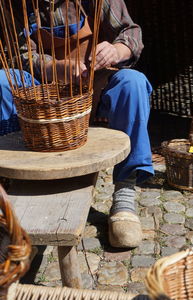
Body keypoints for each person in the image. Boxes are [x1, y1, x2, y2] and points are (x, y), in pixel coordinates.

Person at [0, 0, 154, 248]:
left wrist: (116, 50)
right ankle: (8, 189)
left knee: (133, 83)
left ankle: (124, 195)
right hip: (43, 92)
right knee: (2, 82)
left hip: (96, 86)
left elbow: (131, 33)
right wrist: (53, 68)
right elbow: (18, 53)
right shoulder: (18, 5)